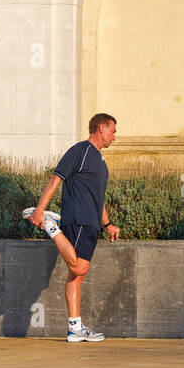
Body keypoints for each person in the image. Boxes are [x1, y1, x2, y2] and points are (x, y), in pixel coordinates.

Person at [21, 113, 119, 342]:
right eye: (112, 131)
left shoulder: (100, 160)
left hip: (92, 223)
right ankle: (51, 226)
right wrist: (39, 210)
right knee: (79, 268)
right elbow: (55, 180)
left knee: (76, 277)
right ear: (100, 128)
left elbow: (98, 196)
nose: (114, 137)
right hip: (79, 219)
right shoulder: (80, 151)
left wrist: (107, 223)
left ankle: (75, 327)